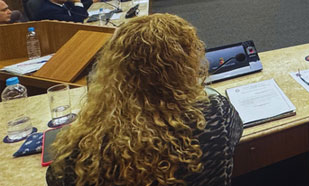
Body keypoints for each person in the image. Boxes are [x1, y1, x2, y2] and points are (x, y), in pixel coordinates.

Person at [46, 14, 243, 186]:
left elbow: (56, 178)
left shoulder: (84, 149)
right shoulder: (218, 114)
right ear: (186, 64)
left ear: (114, 65)